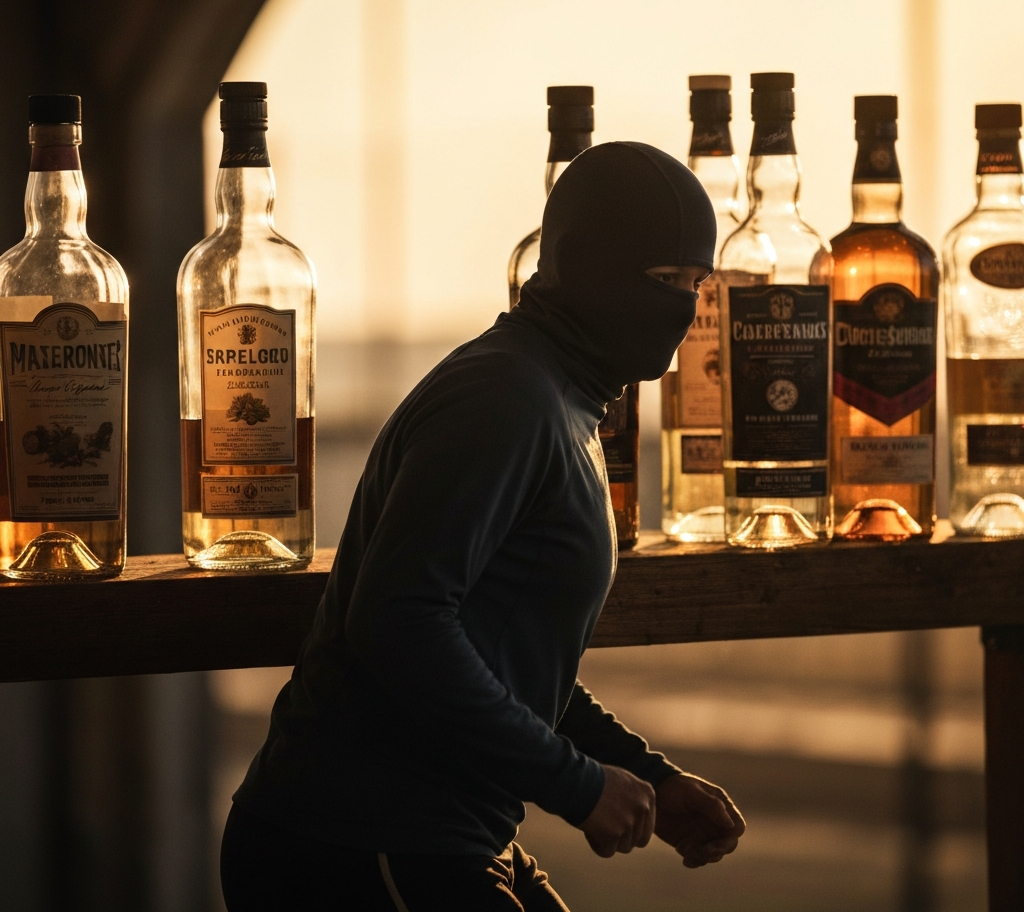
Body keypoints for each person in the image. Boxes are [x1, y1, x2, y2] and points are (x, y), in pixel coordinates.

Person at [220, 141, 745, 911]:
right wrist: (576, 785)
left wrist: (645, 775)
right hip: (357, 842)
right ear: (580, 263)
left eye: (697, 283)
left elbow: (507, 649)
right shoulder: (505, 402)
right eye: (663, 280)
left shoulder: (564, 400)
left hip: (448, 834)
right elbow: (399, 622)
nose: (684, 305)